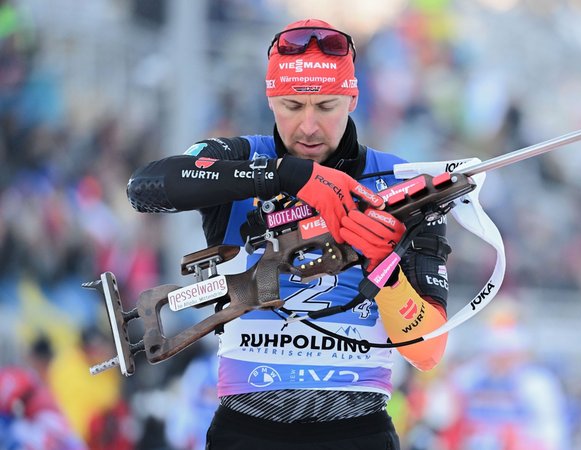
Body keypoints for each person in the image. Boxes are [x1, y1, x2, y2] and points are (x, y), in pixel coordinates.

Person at [126, 18, 452, 449]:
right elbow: (146, 188)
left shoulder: (400, 181)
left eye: (327, 106)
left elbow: (427, 352)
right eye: (292, 106)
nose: (309, 127)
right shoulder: (241, 158)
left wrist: (384, 272)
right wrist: (284, 175)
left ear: (353, 97)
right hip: (247, 428)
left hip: (358, 430)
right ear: (270, 98)